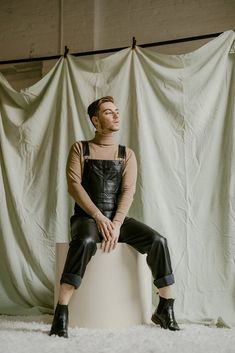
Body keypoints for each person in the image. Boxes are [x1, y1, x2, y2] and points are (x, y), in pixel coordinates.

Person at [49, 96, 180, 338]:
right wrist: (98, 217)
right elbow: (73, 186)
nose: (116, 115)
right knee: (86, 242)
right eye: (109, 112)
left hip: (117, 219)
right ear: (96, 120)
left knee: (158, 241)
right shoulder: (80, 148)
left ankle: (165, 306)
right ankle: (62, 311)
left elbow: (128, 192)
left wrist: (117, 222)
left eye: (117, 111)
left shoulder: (126, 154)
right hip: (86, 218)